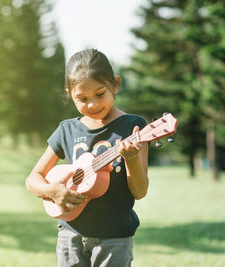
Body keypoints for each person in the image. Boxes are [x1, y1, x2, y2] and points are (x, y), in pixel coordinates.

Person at [25, 48, 149, 267]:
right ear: (69, 94)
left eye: (100, 94)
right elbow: (33, 178)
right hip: (69, 235)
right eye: (82, 98)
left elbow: (139, 192)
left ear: (116, 84)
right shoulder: (66, 130)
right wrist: (51, 191)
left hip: (114, 238)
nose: (92, 104)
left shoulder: (133, 127)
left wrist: (131, 159)